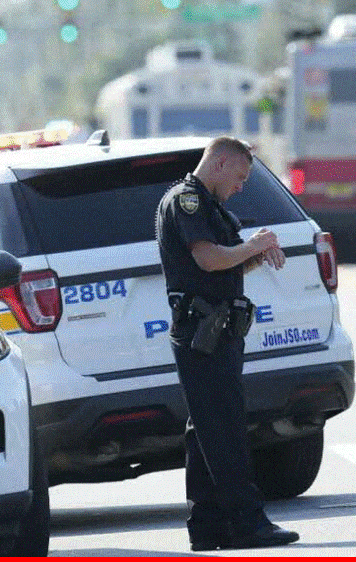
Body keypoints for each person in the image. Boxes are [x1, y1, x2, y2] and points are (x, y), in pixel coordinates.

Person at [155, 136, 298, 551]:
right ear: (219, 164)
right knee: (226, 430)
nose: (240, 187)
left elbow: (224, 262)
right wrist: (249, 246)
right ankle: (248, 523)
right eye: (239, 177)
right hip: (203, 332)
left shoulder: (210, 204)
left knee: (206, 431)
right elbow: (207, 259)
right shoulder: (188, 201)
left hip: (217, 331)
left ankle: (208, 527)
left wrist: (257, 252)